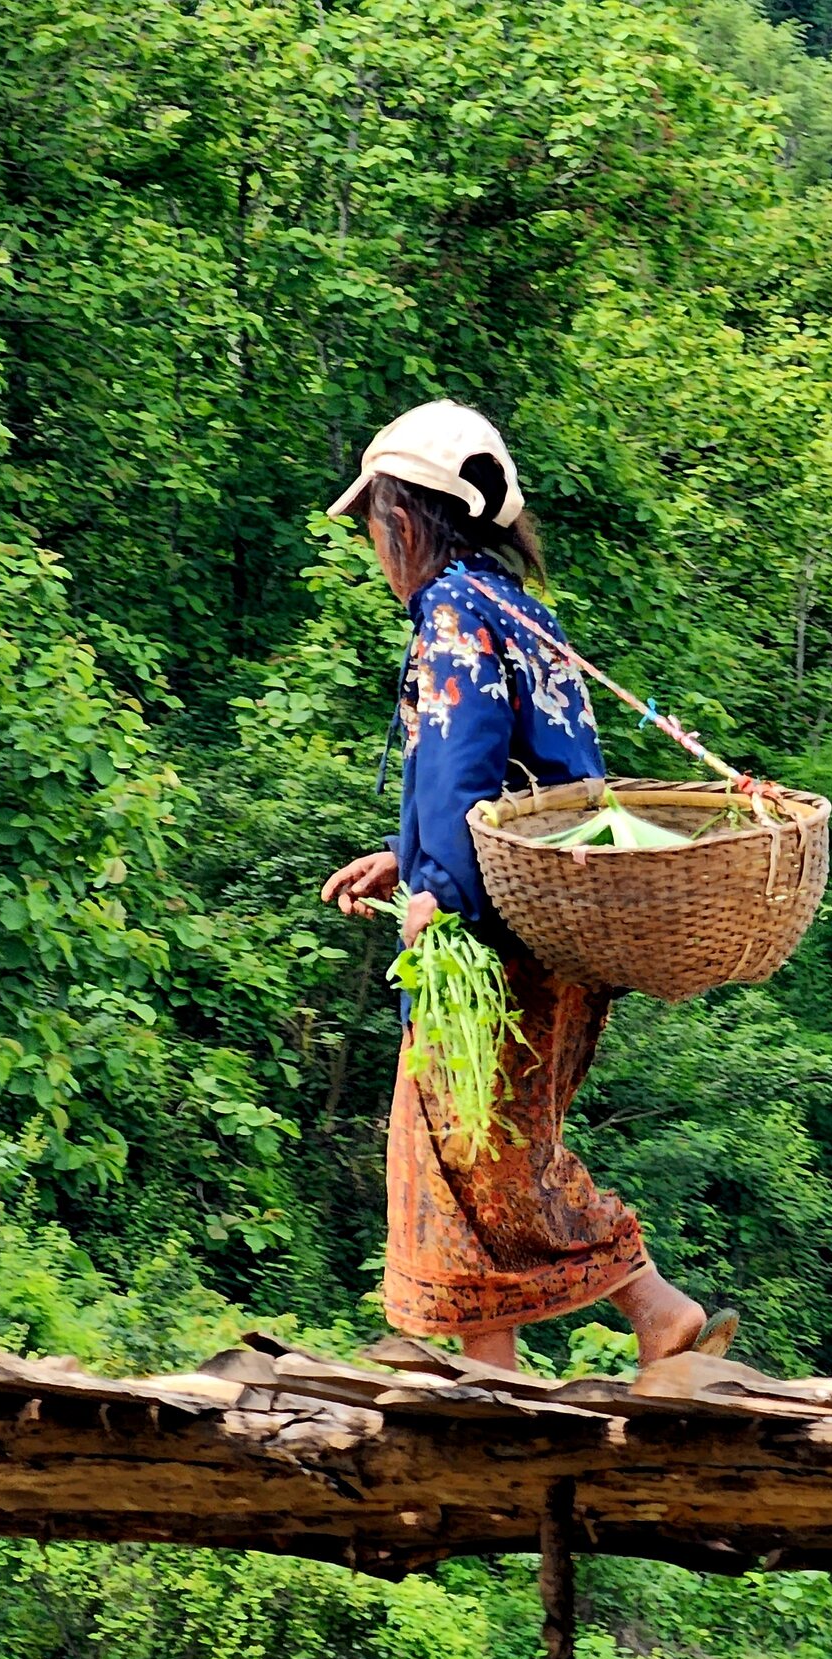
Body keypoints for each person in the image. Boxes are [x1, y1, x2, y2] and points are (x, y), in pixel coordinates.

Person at [318, 400, 737, 1374]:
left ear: (406, 519)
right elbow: (509, 780)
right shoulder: (515, 609)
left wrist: (438, 895)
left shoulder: (456, 618)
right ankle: (491, 1363)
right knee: (460, 1148)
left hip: (501, 937)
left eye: (377, 519)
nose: (376, 543)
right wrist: (403, 853)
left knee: (486, 1148)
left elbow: (466, 775)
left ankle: (650, 1306)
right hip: (557, 915)